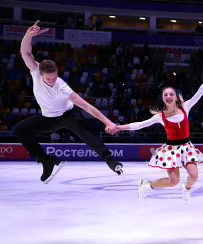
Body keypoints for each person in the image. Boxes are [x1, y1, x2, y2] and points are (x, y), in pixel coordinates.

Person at [13, 21, 122, 183]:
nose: (52, 81)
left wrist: (108, 122)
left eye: (55, 77)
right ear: (40, 73)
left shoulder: (61, 87)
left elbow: (85, 105)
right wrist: (28, 35)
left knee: (86, 135)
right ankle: (46, 160)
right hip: (48, 117)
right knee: (19, 131)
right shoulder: (35, 71)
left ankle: (112, 162)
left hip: (68, 114)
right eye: (49, 79)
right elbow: (25, 52)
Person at [116, 71, 203, 204]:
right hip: (171, 150)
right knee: (173, 181)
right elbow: (140, 125)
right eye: (165, 94)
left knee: (194, 176)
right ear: (163, 98)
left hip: (186, 147)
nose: (168, 96)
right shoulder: (160, 116)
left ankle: (186, 187)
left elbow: (200, 92)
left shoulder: (185, 107)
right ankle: (147, 185)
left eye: (171, 94)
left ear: (176, 97)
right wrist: (119, 127)